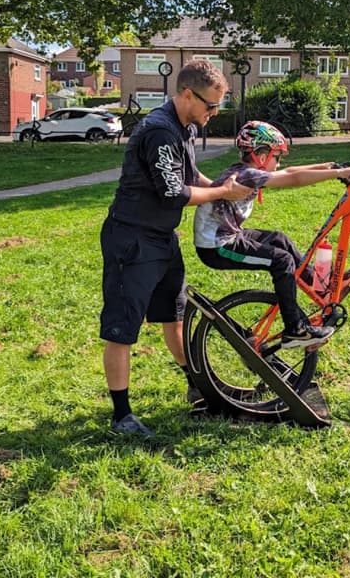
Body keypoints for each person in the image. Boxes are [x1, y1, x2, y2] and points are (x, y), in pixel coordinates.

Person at [100, 60, 253, 437]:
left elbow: (189, 176)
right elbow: (175, 193)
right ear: (186, 94)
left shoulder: (184, 127)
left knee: (174, 315)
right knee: (122, 329)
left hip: (162, 240)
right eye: (210, 106)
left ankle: (197, 386)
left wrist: (222, 186)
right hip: (131, 240)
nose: (214, 114)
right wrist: (221, 193)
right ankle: (121, 416)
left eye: (219, 106)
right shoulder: (160, 132)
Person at [193, 120, 350, 349]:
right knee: (281, 260)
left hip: (228, 235)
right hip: (216, 247)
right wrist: (338, 173)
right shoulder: (248, 175)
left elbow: (290, 171)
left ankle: (318, 285)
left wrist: (329, 166)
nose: (279, 163)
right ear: (262, 157)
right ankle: (295, 329)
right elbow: (293, 178)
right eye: (276, 157)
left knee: (279, 239)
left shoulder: (244, 170)